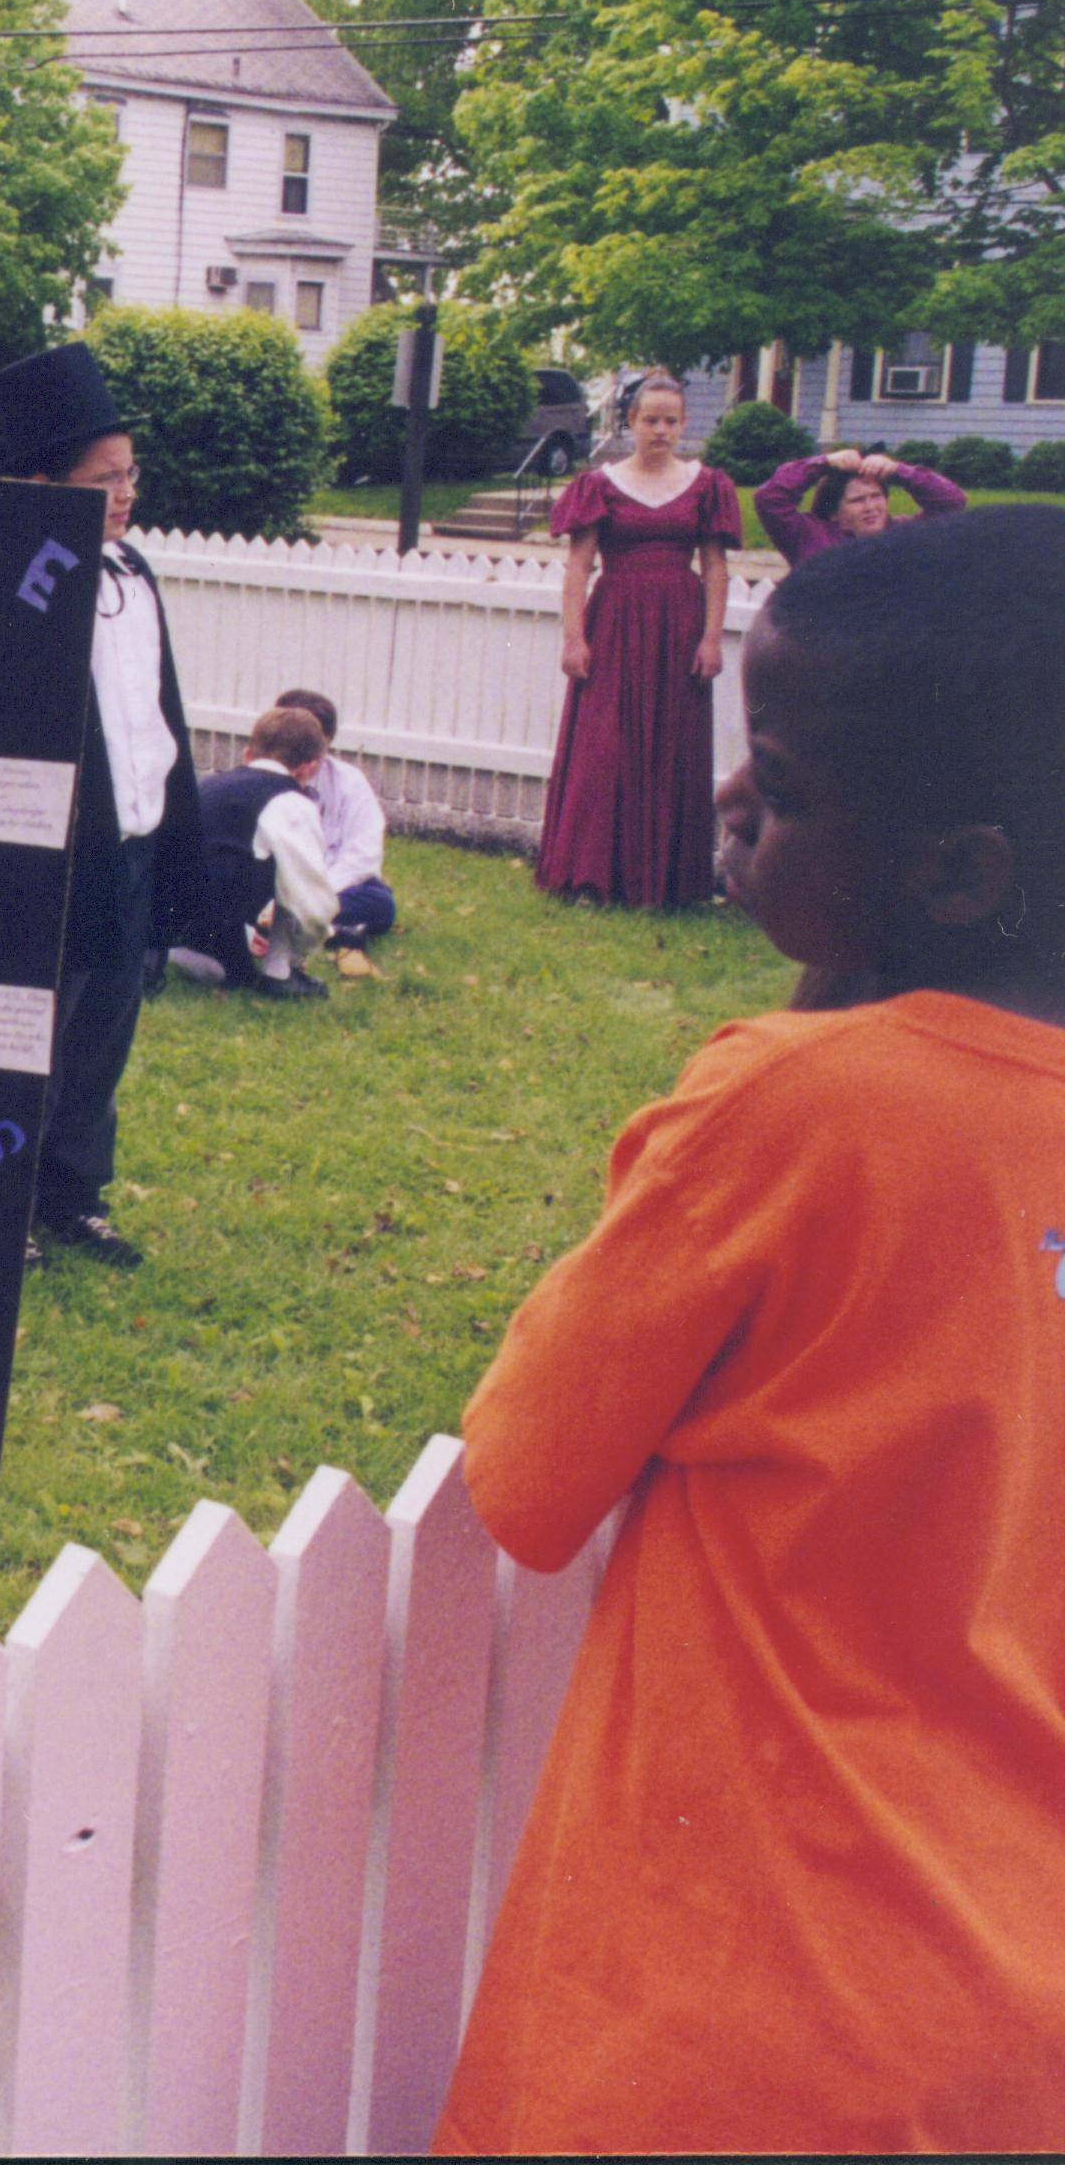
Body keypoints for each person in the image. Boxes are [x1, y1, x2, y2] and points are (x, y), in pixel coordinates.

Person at [438, 506, 1065, 2154]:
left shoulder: (786, 1109)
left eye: (777, 787)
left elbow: (522, 1478)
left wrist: (816, 1017)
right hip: (1018, 2016)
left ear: (956, 874)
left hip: (739, 2008)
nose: (727, 804)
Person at [0, 342, 203, 1269]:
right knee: (38, 1030)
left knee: (106, 1028)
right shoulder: (14, 584)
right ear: (44, 482)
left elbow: (156, 708)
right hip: (59, 849)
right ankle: (1, 1207)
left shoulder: (134, 577)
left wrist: (170, 816)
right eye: (102, 478)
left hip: (137, 836)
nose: (125, 493)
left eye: (130, 474)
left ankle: (72, 1193)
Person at [534, 368, 741, 908]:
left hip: (681, 624)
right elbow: (578, 567)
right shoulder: (599, 485)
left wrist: (712, 638)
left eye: (671, 421)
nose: (661, 430)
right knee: (604, 747)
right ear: (630, 422)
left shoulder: (707, 484)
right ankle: (589, 876)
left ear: (684, 424)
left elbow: (715, 567)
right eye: (650, 420)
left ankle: (667, 884)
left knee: (673, 743)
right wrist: (574, 638)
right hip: (615, 621)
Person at [173, 705, 339, 1000]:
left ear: (249, 752)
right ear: (310, 767)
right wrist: (313, 942)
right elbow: (311, 900)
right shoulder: (291, 801)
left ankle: (180, 951)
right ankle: (280, 973)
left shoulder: (212, 784)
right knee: (295, 873)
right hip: (217, 927)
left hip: (171, 919)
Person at [273, 686, 395, 962]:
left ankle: (289, 926)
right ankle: (331, 932)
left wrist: (315, 894)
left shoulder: (349, 782)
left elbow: (362, 856)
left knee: (380, 904)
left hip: (331, 886)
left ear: (326, 743)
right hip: (271, 885)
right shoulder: (259, 779)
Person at [752, 443, 966, 569]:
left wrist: (898, 470)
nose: (870, 506)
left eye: (876, 496)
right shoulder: (807, 534)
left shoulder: (905, 534)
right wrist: (822, 463)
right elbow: (769, 498)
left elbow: (953, 503)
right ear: (833, 512)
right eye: (857, 500)